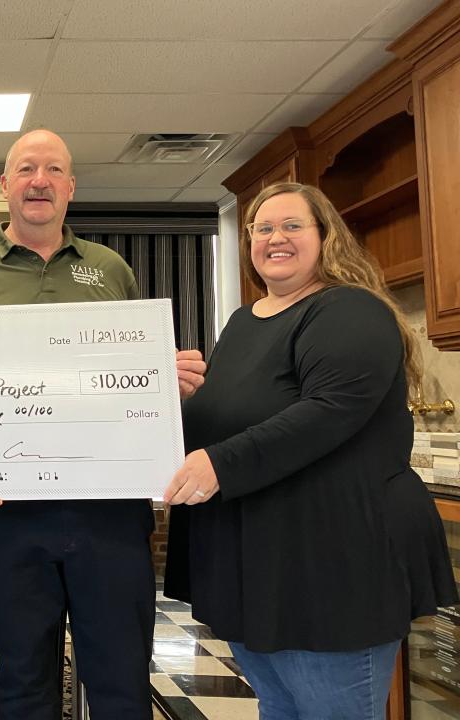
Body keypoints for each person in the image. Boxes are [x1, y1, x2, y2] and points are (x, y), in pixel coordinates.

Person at [0, 128, 206, 720]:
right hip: (6, 513)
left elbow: (128, 380)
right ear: (5, 185)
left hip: (108, 508)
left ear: (71, 187)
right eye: (27, 169)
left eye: (53, 170)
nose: (40, 181)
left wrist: (163, 383)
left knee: (120, 673)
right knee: (24, 676)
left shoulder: (111, 269)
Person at [163, 182, 458, 719]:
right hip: (259, 563)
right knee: (280, 706)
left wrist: (219, 464)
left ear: (326, 236)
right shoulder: (244, 321)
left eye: (292, 225)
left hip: (332, 565)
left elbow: (329, 411)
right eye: (262, 228)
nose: (275, 237)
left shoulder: (349, 309)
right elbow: (223, 420)